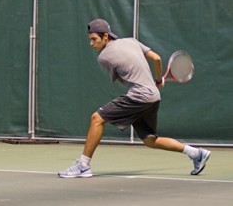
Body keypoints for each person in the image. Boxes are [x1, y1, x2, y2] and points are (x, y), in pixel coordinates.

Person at [58, 18, 211, 178]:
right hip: (153, 96)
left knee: (97, 118)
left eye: (94, 39)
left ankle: (83, 165)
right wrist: (158, 80)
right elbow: (157, 58)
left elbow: (124, 80)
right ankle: (196, 153)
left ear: (105, 36)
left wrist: (143, 83)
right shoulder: (132, 41)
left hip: (139, 96)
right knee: (150, 140)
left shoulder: (104, 58)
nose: (91, 44)